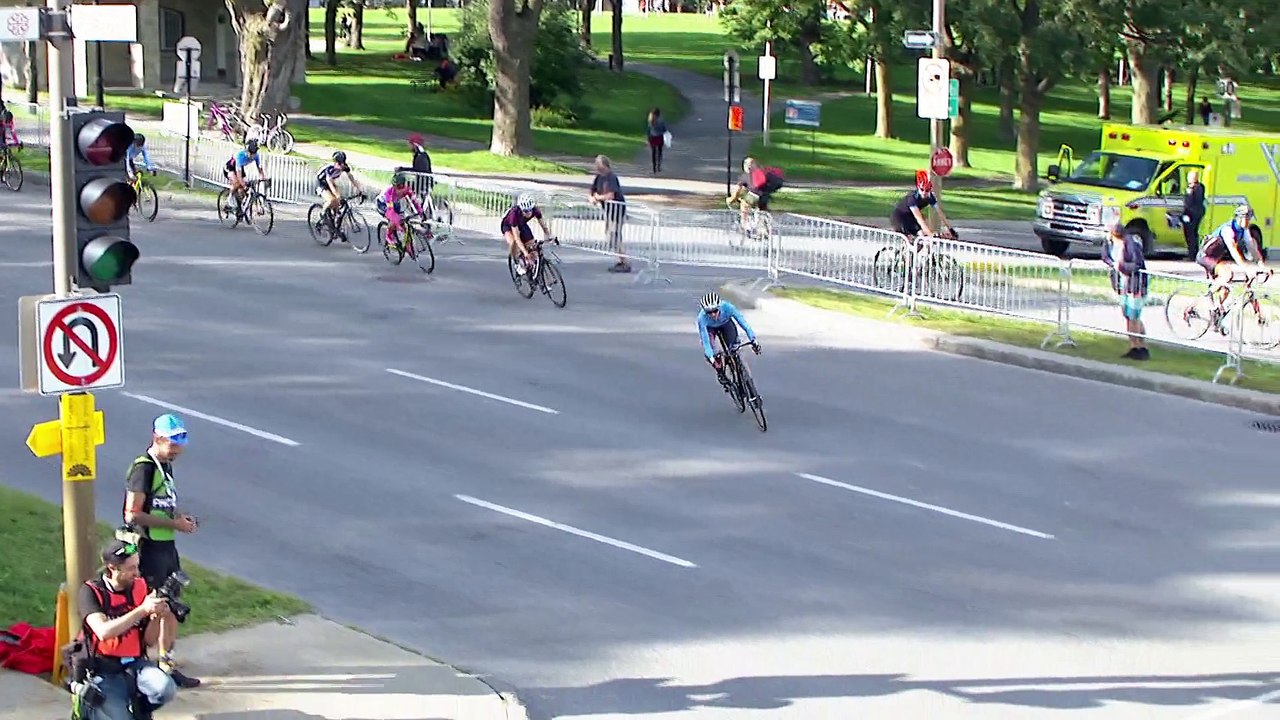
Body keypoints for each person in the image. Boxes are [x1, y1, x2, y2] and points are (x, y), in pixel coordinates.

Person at [121, 414, 200, 689]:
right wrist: (173, 524)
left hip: (167, 546)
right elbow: (132, 514)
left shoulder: (165, 465)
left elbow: (161, 503)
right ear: (157, 438)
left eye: (180, 444)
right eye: (172, 443)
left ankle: (167, 663)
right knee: (154, 607)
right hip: (149, 547)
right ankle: (139, 663)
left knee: (172, 606)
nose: (177, 450)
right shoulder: (144, 468)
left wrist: (179, 518)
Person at [75, 537, 178, 720]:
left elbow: (149, 641)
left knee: (166, 689)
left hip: (135, 663)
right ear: (112, 568)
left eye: (137, 566)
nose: (136, 573)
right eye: (131, 568)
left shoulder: (140, 586)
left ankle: (139, 711)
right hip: (104, 668)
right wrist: (142, 610)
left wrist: (156, 617)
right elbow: (103, 632)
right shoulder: (90, 591)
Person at [1196, 204, 1272, 316]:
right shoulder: (1228, 230)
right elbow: (1234, 251)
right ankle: (1207, 296)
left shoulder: (1244, 230)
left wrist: (1261, 265)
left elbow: (1252, 247)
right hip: (1206, 256)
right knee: (1227, 274)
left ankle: (1216, 314)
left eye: (1249, 218)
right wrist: (1246, 268)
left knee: (1225, 289)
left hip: (1218, 258)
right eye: (1246, 218)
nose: (1248, 221)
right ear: (1239, 218)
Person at [1102, 223, 1150, 360]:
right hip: (1122, 285)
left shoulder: (1131, 244)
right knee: (1128, 315)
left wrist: (1122, 266)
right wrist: (1114, 265)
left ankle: (1138, 347)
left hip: (1135, 284)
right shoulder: (1109, 243)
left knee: (1133, 316)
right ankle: (1136, 345)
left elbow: (1137, 264)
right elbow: (1105, 257)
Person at [697, 291, 760, 387]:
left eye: (715, 311)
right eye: (709, 312)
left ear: (719, 307)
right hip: (710, 329)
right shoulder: (702, 318)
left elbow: (743, 323)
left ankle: (741, 370)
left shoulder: (728, 307)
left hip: (725, 324)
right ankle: (720, 372)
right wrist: (712, 359)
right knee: (714, 352)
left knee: (735, 346)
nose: (713, 314)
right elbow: (706, 342)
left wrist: (753, 339)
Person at [588, 154, 630, 273]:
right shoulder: (598, 177)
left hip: (617, 211)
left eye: (598, 164)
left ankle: (625, 262)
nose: (596, 167)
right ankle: (620, 259)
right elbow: (592, 191)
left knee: (614, 235)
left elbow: (610, 195)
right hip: (608, 211)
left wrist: (598, 197)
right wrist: (591, 197)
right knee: (610, 236)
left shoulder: (611, 177)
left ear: (604, 165)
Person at [891, 170, 956, 241]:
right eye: (922, 189)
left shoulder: (930, 197)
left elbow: (940, 213)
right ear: (918, 187)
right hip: (899, 217)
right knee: (912, 238)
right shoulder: (912, 198)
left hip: (911, 217)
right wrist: (930, 235)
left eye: (927, 190)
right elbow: (919, 218)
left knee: (922, 235)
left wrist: (950, 229)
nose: (924, 193)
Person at [501, 194, 555, 277]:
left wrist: (549, 236)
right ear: (521, 209)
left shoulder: (535, 210)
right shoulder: (514, 214)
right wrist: (525, 253)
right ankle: (517, 263)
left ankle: (532, 270)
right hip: (508, 226)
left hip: (521, 224)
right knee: (514, 243)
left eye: (530, 210)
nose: (529, 213)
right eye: (526, 211)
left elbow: (544, 227)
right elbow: (517, 238)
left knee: (532, 245)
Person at [315, 150, 365, 232]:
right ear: (335, 163)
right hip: (321, 184)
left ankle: (335, 224)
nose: (341, 166)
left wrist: (360, 190)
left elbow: (352, 179)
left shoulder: (344, 167)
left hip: (331, 183)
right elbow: (330, 183)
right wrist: (336, 195)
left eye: (342, 163)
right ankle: (322, 214)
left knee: (338, 202)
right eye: (339, 163)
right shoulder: (330, 169)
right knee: (331, 200)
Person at [726, 157, 784, 229]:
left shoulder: (745, 175)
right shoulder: (762, 172)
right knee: (762, 210)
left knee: (744, 204)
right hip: (765, 195)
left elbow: (737, 190)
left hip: (754, 195)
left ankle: (745, 224)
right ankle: (764, 227)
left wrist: (731, 199)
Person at [377, 172, 426, 249]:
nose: (399, 189)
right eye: (397, 186)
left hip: (395, 203)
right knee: (394, 219)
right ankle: (389, 235)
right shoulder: (389, 192)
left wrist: (420, 211)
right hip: (383, 204)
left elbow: (414, 201)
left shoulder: (407, 189)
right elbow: (390, 210)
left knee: (404, 223)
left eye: (401, 186)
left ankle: (406, 244)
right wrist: (396, 221)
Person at [222, 139, 267, 215]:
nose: (252, 156)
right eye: (251, 154)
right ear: (247, 151)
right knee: (237, 183)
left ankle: (240, 207)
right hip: (230, 168)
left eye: (254, 154)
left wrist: (263, 178)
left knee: (244, 189)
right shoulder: (240, 156)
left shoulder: (256, 156)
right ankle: (229, 199)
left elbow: (260, 168)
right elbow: (239, 174)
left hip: (240, 168)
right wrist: (243, 185)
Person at [1180, 169, 1206, 256]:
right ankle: (1192, 252)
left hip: (1192, 214)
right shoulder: (1198, 187)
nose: (1189, 179)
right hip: (1192, 213)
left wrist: (1189, 193)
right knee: (1191, 233)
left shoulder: (1197, 188)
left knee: (1191, 233)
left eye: (1190, 177)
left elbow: (1192, 202)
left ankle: (1192, 253)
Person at [645, 107, 668, 173]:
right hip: (659, 137)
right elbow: (664, 129)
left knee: (653, 152)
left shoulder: (650, 120)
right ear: (659, 114)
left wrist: (647, 139)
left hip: (652, 138)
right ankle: (658, 166)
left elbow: (648, 131)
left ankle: (654, 167)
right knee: (660, 152)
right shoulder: (661, 121)